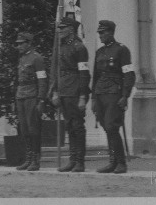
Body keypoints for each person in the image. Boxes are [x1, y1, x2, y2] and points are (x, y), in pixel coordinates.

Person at [91, 20, 135, 174]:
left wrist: (125, 96)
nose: (100, 35)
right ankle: (112, 162)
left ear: (111, 32)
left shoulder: (121, 50)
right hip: (100, 93)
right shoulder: (99, 52)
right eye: (99, 33)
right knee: (107, 128)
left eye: (103, 32)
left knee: (112, 127)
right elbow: (95, 77)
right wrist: (93, 98)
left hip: (114, 95)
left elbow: (129, 75)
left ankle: (121, 163)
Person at [51, 16, 91, 172]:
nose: (59, 31)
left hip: (75, 90)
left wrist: (82, 96)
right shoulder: (61, 47)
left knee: (77, 126)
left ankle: (80, 161)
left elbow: (84, 74)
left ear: (71, 30)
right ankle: (72, 159)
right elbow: (57, 71)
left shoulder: (79, 47)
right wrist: (55, 91)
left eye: (62, 28)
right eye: (59, 28)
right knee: (69, 126)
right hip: (64, 91)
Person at [14, 32, 48, 171]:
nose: (19, 46)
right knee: (24, 129)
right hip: (21, 95)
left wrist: (41, 99)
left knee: (33, 128)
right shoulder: (22, 58)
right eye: (18, 43)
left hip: (32, 95)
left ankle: (35, 159)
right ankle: (28, 158)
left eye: (22, 43)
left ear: (29, 43)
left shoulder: (37, 58)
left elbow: (42, 80)